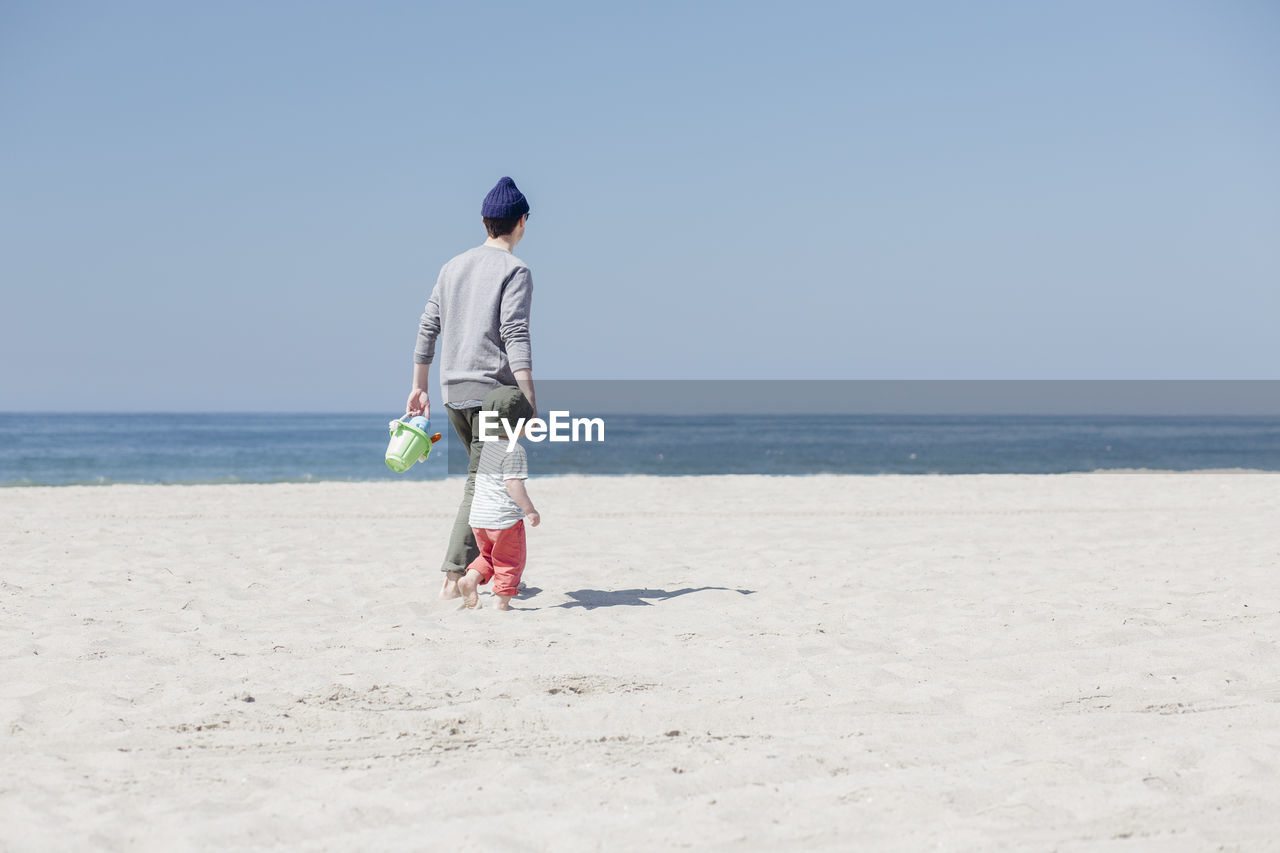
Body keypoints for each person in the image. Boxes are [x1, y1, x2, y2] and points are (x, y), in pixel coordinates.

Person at [407, 177, 537, 600]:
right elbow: (514, 332)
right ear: (521, 223)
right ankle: (453, 578)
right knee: (477, 486)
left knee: (483, 484)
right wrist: (528, 395)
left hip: (452, 392)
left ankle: (475, 573)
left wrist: (419, 385)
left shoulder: (453, 266)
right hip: (492, 394)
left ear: (485, 222)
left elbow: (428, 327)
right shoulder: (515, 270)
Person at [457, 385, 540, 610]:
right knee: (510, 561)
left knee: (488, 556)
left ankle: (470, 579)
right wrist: (529, 510)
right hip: (504, 521)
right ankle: (502, 603)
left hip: (479, 518)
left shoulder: (487, 447)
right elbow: (513, 484)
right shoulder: (515, 450)